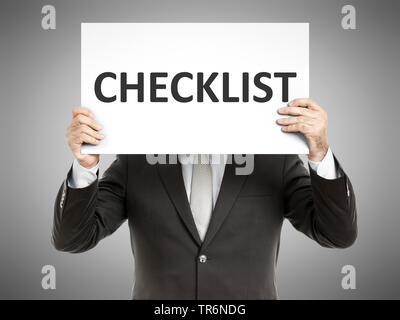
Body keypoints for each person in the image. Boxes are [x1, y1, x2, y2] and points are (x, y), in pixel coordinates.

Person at [52, 98, 357, 299]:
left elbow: (336, 234)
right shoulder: (138, 159)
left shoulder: (273, 159)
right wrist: (85, 165)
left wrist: (320, 153)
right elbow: (73, 239)